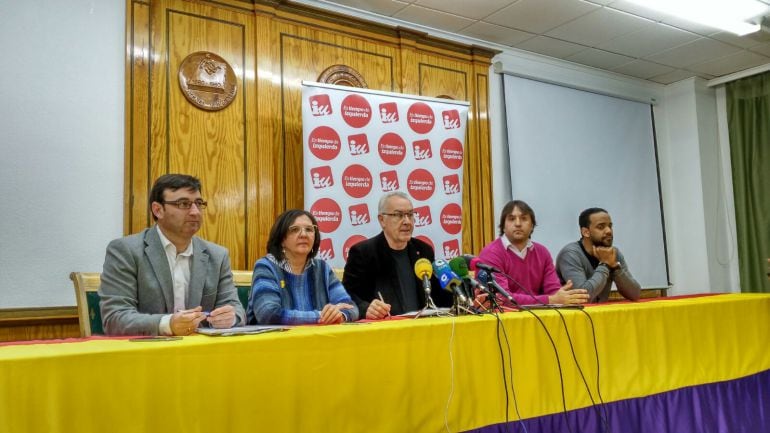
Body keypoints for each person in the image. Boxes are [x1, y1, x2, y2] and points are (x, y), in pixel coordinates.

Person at [99, 174, 245, 336]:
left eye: (198, 203)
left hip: (201, 354)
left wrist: (230, 318)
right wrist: (168, 324)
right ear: (158, 210)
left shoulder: (217, 255)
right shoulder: (126, 251)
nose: (195, 212)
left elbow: (236, 309)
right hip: (146, 355)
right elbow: (115, 318)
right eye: (184, 204)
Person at [343, 191, 453, 318]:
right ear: (382, 220)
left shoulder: (423, 251)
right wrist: (366, 308)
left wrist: (464, 293)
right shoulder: (364, 253)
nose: (407, 221)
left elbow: (437, 295)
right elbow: (346, 295)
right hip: (385, 329)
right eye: (398, 215)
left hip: (422, 327)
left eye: (410, 214)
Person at [248, 209, 359, 325]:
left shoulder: (322, 268)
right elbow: (268, 314)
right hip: (276, 341)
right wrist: (321, 316)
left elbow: (351, 307)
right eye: (295, 230)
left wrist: (340, 315)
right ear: (281, 239)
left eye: (309, 229)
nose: (303, 235)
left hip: (318, 339)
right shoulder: (266, 266)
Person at [478, 200, 588, 306]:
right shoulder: (491, 253)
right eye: (511, 219)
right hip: (504, 319)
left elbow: (553, 291)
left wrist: (564, 296)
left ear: (532, 226)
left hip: (539, 317)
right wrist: (550, 300)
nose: (518, 224)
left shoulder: (542, 252)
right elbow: (501, 298)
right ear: (503, 226)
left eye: (524, 218)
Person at [555, 208, 640, 302]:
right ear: (585, 232)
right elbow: (583, 297)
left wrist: (616, 268)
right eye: (601, 227)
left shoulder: (613, 253)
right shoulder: (570, 254)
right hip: (574, 314)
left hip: (599, 314)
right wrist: (604, 264)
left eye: (610, 226)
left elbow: (635, 294)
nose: (609, 231)